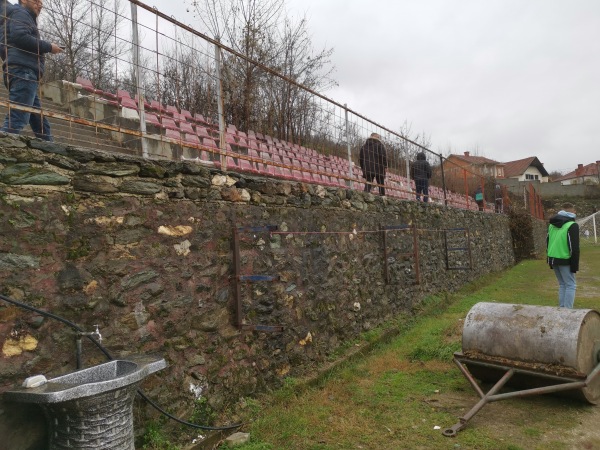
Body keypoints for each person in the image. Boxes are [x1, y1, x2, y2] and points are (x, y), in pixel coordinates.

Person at [1, 0, 62, 141]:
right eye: (36, 1)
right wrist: (49, 47)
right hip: (24, 71)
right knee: (17, 119)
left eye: (41, 2)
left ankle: (52, 152)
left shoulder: (15, 15)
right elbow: (20, 37)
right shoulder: (20, 13)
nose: (40, 5)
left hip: (23, 71)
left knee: (39, 122)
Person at [547, 202, 580, 308]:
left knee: (562, 284)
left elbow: (548, 241)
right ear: (573, 211)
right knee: (571, 285)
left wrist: (550, 258)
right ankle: (568, 311)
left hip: (553, 257)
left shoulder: (552, 224)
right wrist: (574, 265)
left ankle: (562, 309)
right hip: (564, 259)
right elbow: (574, 247)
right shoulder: (572, 225)